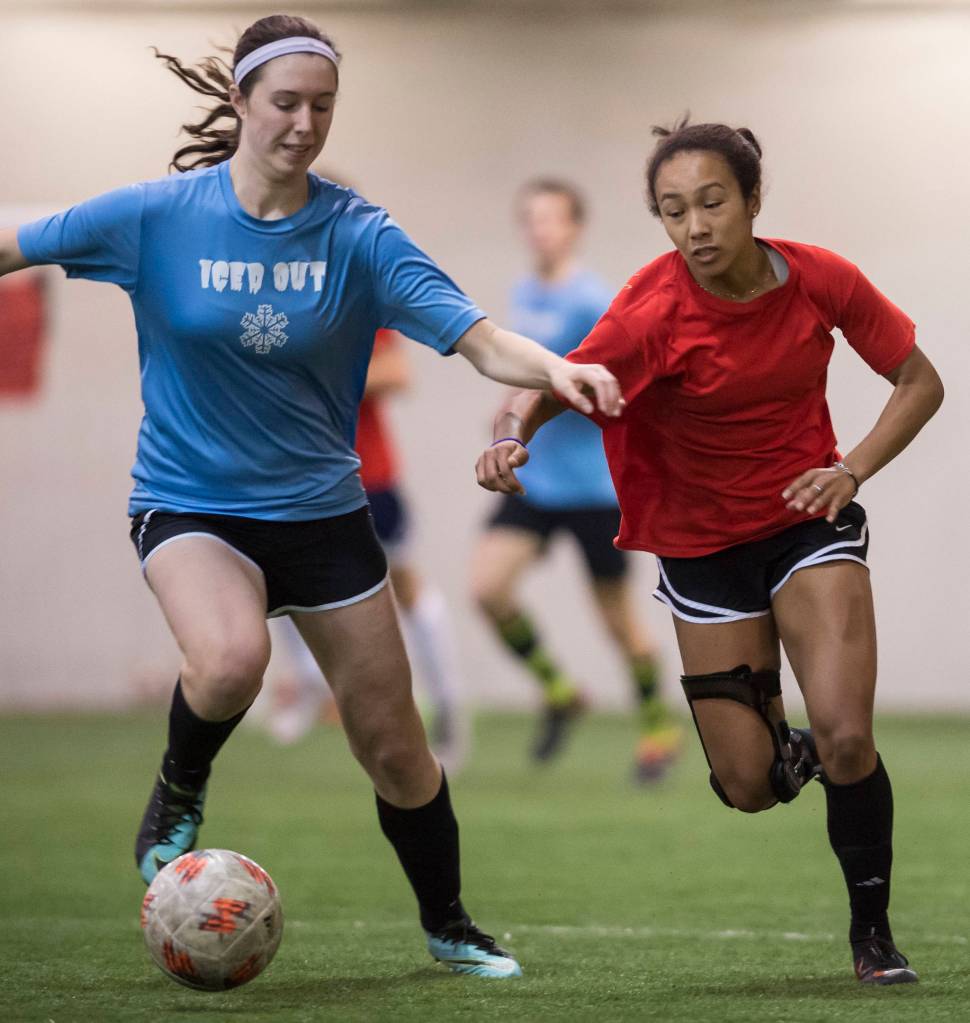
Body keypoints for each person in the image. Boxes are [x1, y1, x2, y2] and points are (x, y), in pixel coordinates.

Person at [0, 14, 622, 979]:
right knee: (233, 658)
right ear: (241, 100)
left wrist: (561, 369)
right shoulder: (153, 216)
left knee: (396, 749)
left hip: (326, 516)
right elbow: (16, 240)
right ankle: (179, 787)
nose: (303, 123)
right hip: (190, 503)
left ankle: (449, 922)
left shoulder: (358, 235)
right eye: (284, 102)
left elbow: (479, 335)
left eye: (321, 106)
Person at [476, 120, 943, 985]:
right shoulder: (651, 310)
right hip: (701, 549)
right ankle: (784, 749)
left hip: (809, 524)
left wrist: (851, 468)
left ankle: (873, 936)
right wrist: (509, 434)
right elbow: (563, 381)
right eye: (672, 210)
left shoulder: (821, 278)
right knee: (749, 784)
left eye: (712, 202)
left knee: (846, 735)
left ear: (754, 199)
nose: (694, 226)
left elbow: (922, 381)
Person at [471, 179, 680, 776]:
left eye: (551, 219)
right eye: (530, 219)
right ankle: (560, 692)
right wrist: (513, 407)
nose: (539, 229)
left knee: (618, 623)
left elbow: (615, 382)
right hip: (535, 481)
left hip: (592, 487)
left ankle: (657, 730)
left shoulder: (594, 300)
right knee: (488, 588)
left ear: (574, 227)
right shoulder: (526, 291)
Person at [270, 329, 468, 774]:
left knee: (404, 585)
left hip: (366, 476)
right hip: (295, 477)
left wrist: (312, 376)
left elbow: (396, 372)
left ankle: (448, 704)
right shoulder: (267, 305)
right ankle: (309, 682)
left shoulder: (352, 297)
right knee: (274, 572)